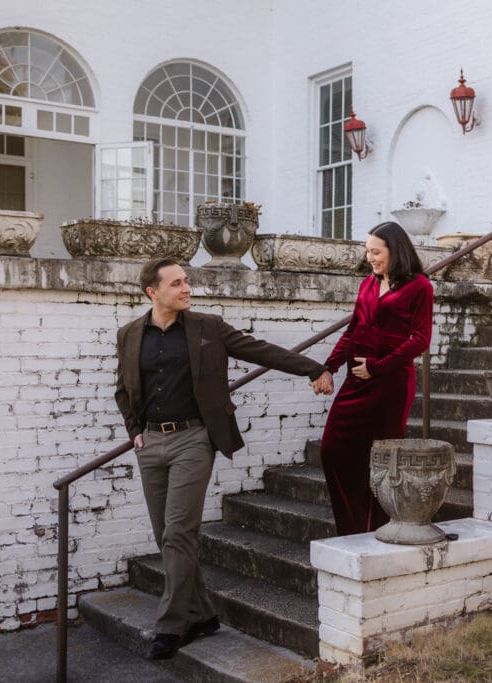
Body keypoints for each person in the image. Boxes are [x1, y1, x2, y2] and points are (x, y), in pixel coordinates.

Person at [114, 257, 333, 660]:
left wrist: (313, 368)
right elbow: (123, 390)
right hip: (152, 445)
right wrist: (134, 432)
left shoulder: (207, 328)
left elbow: (260, 350)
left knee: (178, 533)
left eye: (186, 281)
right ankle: (202, 615)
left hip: (193, 440)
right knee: (168, 536)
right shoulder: (129, 334)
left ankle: (170, 627)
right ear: (152, 292)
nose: (186, 288)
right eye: (176, 283)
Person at [319, 221, 434, 536]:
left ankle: (377, 530)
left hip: (390, 385)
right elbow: (353, 329)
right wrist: (328, 367)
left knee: (379, 461)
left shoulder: (420, 286)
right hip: (356, 382)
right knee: (332, 450)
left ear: (395, 251)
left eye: (375, 251)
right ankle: (350, 528)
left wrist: (377, 367)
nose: (369, 257)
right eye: (367, 251)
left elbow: (420, 339)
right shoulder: (368, 284)